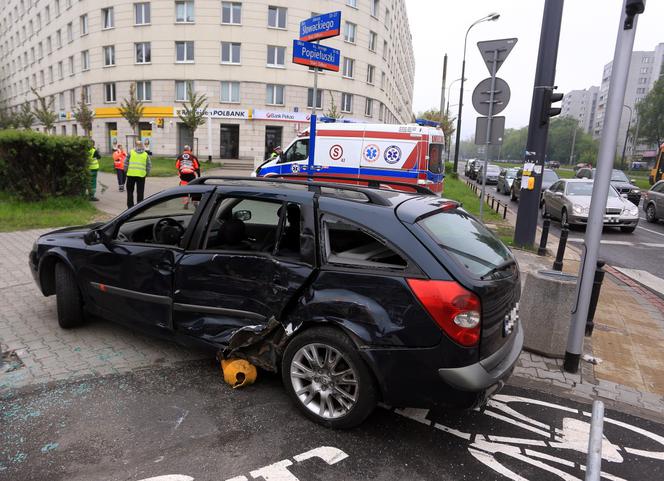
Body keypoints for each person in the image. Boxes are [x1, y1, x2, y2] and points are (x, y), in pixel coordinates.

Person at [124, 140, 151, 208]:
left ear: (135, 145)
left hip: (130, 175)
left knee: (130, 192)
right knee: (140, 192)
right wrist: (146, 173)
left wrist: (125, 171)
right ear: (142, 145)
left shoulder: (131, 152)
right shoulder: (145, 154)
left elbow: (126, 163)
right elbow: (149, 165)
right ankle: (139, 207)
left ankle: (130, 207)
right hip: (141, 175)